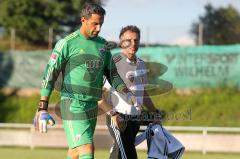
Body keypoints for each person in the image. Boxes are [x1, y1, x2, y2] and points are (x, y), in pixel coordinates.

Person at [33, 3, 136, 159]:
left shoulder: (103, 46)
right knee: (87, 149)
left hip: (91, 106)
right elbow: (50, 74)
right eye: (95, 23)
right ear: (83, 20)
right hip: (72, 105)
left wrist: (125, 91)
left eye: (101, 24)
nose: (99, 28)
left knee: (75, 152)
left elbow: (112, 74)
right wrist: (42, 107)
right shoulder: (67, 43)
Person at [103, 25, 161, 159]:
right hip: (118, 117)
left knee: (121, 152)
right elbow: (101, 92)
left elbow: (143, 92)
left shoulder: (141, 63)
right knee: (127, 153)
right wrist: (112, 113)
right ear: (122, 42)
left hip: (135, 118)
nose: (133, 44)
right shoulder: (114, 63)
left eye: (136, 40)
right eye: (129, 40)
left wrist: (154, 111)